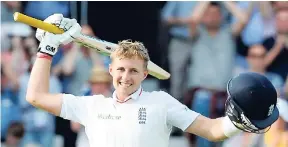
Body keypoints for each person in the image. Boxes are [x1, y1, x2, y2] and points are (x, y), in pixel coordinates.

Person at [26, 14, 279, 147]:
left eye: (134, 71)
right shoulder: (92, 106)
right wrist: (47, 48)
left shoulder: (161, 102)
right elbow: (36, 96)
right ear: (111, 70)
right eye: (122, 70)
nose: (126, 77)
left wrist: (242, 121)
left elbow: (212, 130)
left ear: (145, 74)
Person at [70, 66, 112, 147]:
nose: (98, 87)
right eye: (95, 84)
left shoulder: (114, 101)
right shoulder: (83, 100)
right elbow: (75, 127)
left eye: (101, 83)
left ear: (107, 85)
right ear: (91, 85)